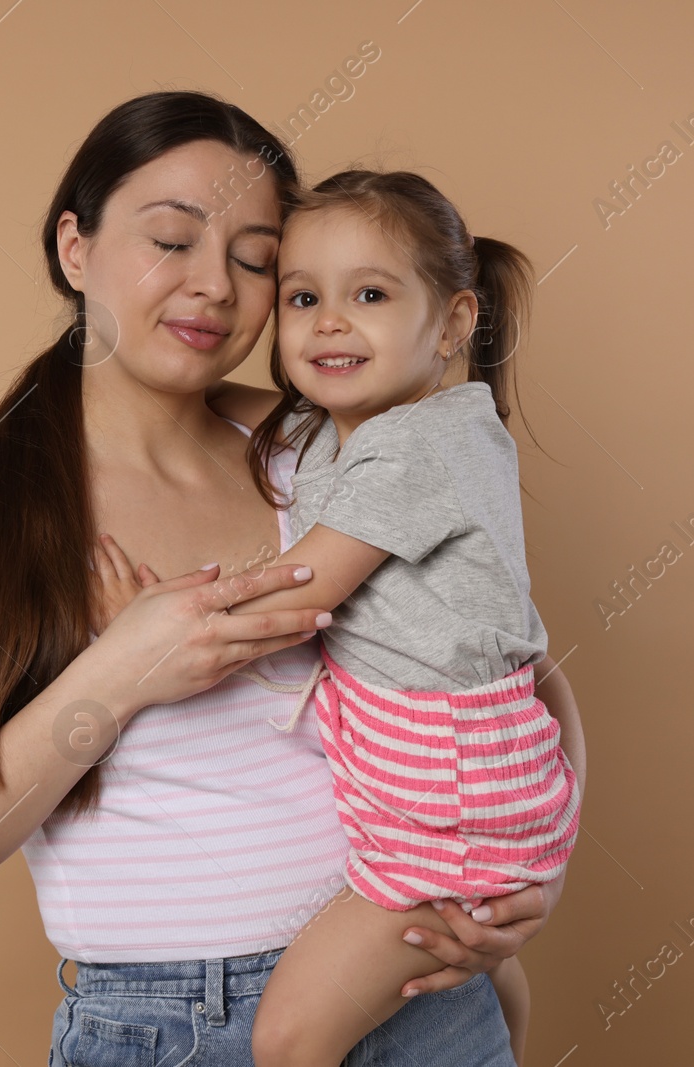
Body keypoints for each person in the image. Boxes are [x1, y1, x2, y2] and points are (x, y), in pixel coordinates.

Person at [0, 91, 583, 1067]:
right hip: (170, 1026)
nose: (214, 288)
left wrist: (529, 878)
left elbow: (506, 659)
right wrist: (122, 668)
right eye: (172, 240)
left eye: (255, 260)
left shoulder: (319, 452)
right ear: (75, 248)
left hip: (406, 975)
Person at [94, 170, 581, 1066]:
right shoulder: (344, 426)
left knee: (287, 1038)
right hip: (440, 773)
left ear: (453, 324)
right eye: (302, 296)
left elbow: (303, 591)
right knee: (461, 970)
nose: (327, 322)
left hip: (446, 796)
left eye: (370, 295)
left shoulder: (420, 444)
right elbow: (216, 414)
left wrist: (153, 620)